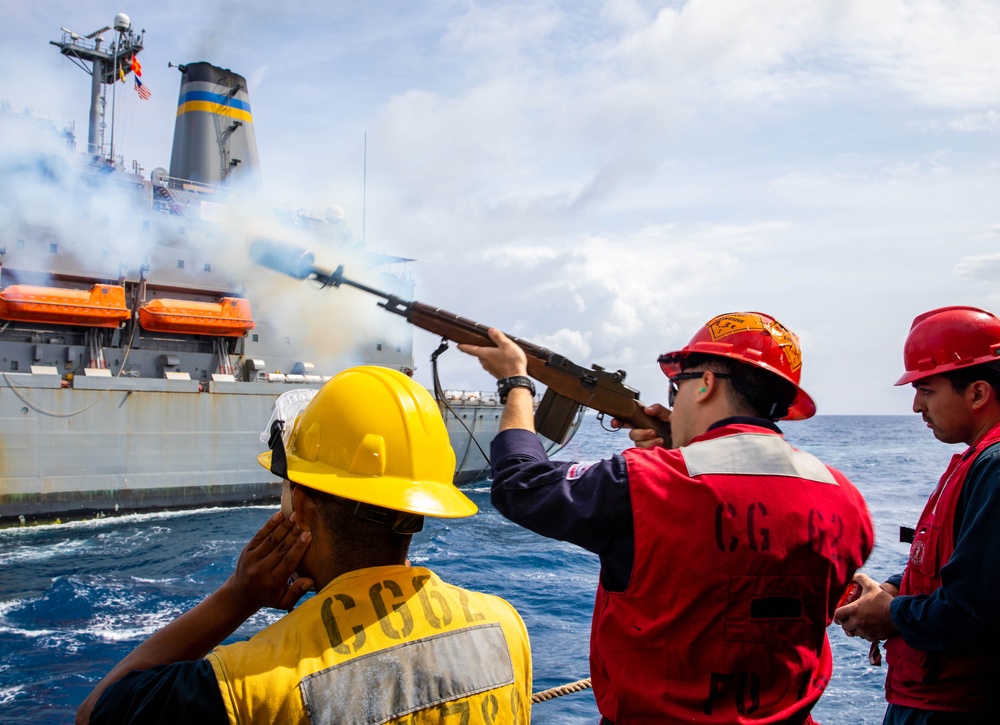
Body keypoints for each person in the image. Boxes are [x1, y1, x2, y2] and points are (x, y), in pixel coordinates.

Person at [459, 312, 874, 724]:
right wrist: (685, 448)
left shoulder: (645, 481)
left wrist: (515, 383)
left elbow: (522, 485)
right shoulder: (846, 498)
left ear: (706, 383)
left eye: (677, 387)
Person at [77, 366, 532, 725]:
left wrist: (237, 597)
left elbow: (94, 714)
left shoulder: (245, 683)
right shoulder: (506, 628)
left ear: (304, 508)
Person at [834, 306, 1000, 724]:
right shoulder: (977, 462)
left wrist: (890, 613)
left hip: (955, 706)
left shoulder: (994, 466)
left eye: (926, 390)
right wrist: (892, 589)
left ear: (977, 393)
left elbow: (975, 611)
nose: (914, 406)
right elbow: (959, 569)